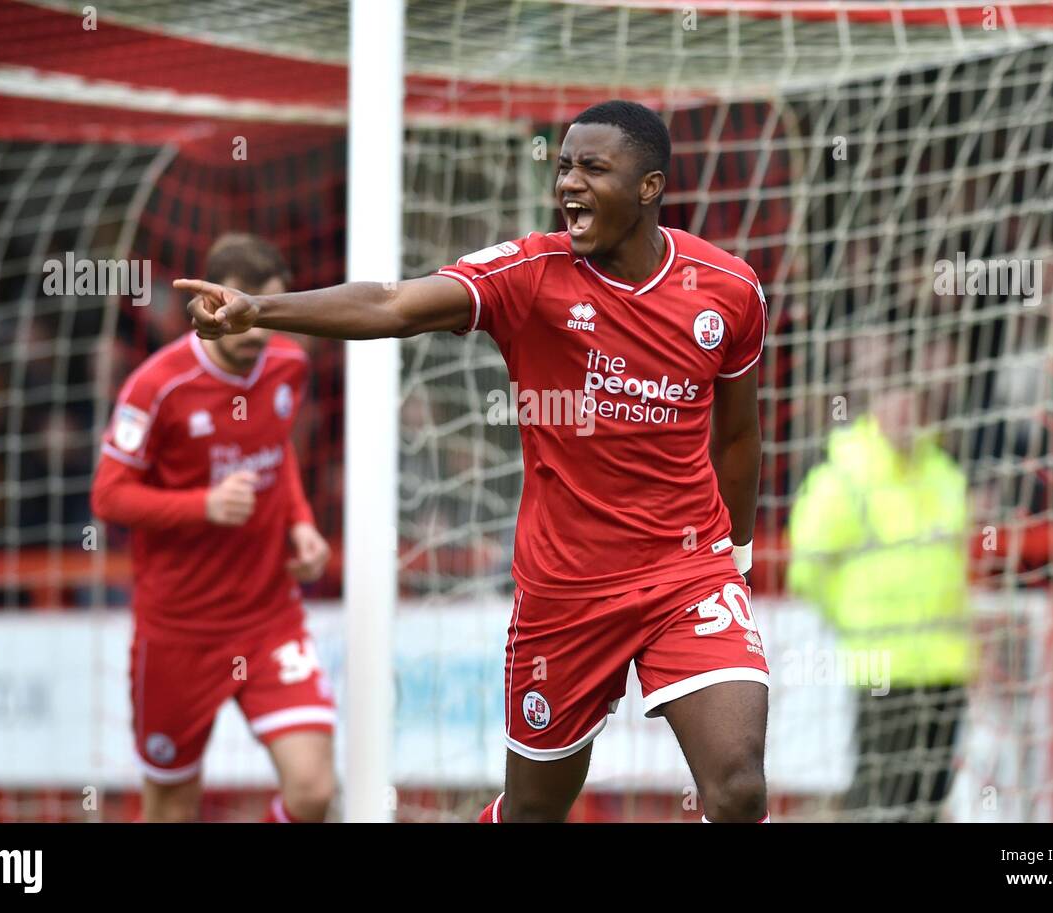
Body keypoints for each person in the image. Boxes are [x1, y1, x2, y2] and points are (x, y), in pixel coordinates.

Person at [177, 101, 770, 824]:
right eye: (563, 167)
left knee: (738, 788)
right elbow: (393, 304)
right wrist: (259, 311)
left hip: (687, 572)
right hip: (567, 592)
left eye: (592, 167)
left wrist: (734, 557)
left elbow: (738, 438)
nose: (569, 183)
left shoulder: (729, 290)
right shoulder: (531, 274)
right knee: (532, 810)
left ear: (649, 187)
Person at [92, 233, 336, 823]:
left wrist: (300, 524)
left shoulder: (288, 365)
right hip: (179, 631)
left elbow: (277, 457)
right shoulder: (157, 386)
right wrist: (203, 505)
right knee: (172, 805)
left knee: (313, 791)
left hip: (268, 618)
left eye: (267, 315)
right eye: (242, 314)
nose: (256, 331)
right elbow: (108, 494)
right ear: (208, 306)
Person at [786, 379, 973, 822]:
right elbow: (806, 566)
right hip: (883, 664)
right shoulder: (847, 474)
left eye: (913, 408)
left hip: (946, 662)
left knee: (928, 799)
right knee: (880, 797)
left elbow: (957, 562)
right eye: (896, 407)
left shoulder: (943, 473)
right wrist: (853, 620)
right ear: (876, 411)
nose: (905, 419)